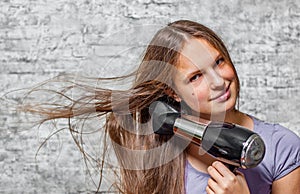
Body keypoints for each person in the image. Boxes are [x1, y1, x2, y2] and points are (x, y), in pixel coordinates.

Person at [21, 20, 300, 193]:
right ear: (172, 93)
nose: (218, 81)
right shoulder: (157, 155)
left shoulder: (282, 147)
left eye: (219, 62)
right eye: (195, 77)